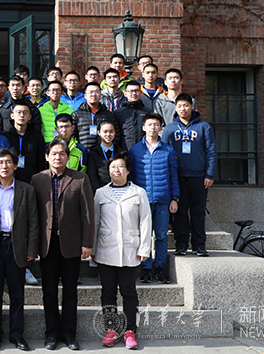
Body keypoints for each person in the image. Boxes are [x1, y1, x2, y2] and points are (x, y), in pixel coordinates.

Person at [31, 138, 95, 351]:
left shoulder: (80, 178)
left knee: (70, 292)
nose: (57, 157)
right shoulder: (37, 179)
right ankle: (51, 334)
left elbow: (88, 214)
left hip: (72, 244)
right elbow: (33, 215)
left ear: (68, 157)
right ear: (46, 157)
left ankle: (69, 334)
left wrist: (87, 243)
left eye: (62, 154)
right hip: (47, 244)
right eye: (54, 153)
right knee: (49, 292)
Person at [91, 154, 151, 350]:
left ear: (128, 170)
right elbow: (95, 222)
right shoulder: (100, 193)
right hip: (106, 250)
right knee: (108, 292)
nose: (116, 170)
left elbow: (145, 221)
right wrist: (93, 248)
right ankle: (111, 329)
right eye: (113, 167)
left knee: (129, 292)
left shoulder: (139, 192)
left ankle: (130, 331)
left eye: (120, 166)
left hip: (130, 250)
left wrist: (144, 248)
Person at [0, 148, 39, 352]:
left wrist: (32, 248)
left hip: (17, 246)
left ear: (16, 165)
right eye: (0, 162)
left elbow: (34, 222)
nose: (4, 166)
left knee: (17, 295)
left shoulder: (27, 189)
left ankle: (17, 335)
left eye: (8, 162)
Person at [161, 93, 217, 257]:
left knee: (198, 212)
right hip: (178, 177)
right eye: (179, 106)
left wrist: (210, 174)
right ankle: (181, 245)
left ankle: (199, 245)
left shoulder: (204, 127)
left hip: (199, 177)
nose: (183, 109)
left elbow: (211, 152)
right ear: (175, 108)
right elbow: (164, 153)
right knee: (180, 212)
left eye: (186, 105)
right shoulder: (169, 129)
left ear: (192, 106)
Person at [129, 113, 179, 284]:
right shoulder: (135, 150)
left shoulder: (168, 150)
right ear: (143, 127)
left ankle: (159, 268)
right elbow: (132, 177)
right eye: (149, 124)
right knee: (144, 235)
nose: (153, 128)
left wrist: (175, 198)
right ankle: (146, 269)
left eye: (156, 124)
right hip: (142, 200)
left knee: (161, 236)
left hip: (163, 199)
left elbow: (173, 175)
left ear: (161, 128)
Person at [1, 100, 46, 184]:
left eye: (25, 113)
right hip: (9, 181)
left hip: (31, 181)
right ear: (12, 115)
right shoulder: (4, 136)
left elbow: (41, 163)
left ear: (30, 117)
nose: (22, 115)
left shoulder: (37, 137)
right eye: (18, 112)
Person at [72, 82, 121, 149]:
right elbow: (72, 135)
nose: (94, 94)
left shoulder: (108, 114)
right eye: (91, 92)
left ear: (100, 94)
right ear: (85, 95)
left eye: (96, 92)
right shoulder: (76, 114)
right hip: (83, 151)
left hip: (103, 151)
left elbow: (116, 134)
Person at [114, 80, 150, 150]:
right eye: (131, 91)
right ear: (125, 94)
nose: (134, 93)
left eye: (136, 91)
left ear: (141, 93)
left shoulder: (147, 112)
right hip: (124, 150)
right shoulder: (118, 112)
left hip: (144, 149)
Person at [87, 121, 118, 192]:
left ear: (115, 132)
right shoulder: (93, 152)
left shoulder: (121, 151)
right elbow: (92, 175)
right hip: (100, 191)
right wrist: (99, 191)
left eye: (111, 131)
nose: (108, 134)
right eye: (105, 132)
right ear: (99, 132)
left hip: (119, 190)